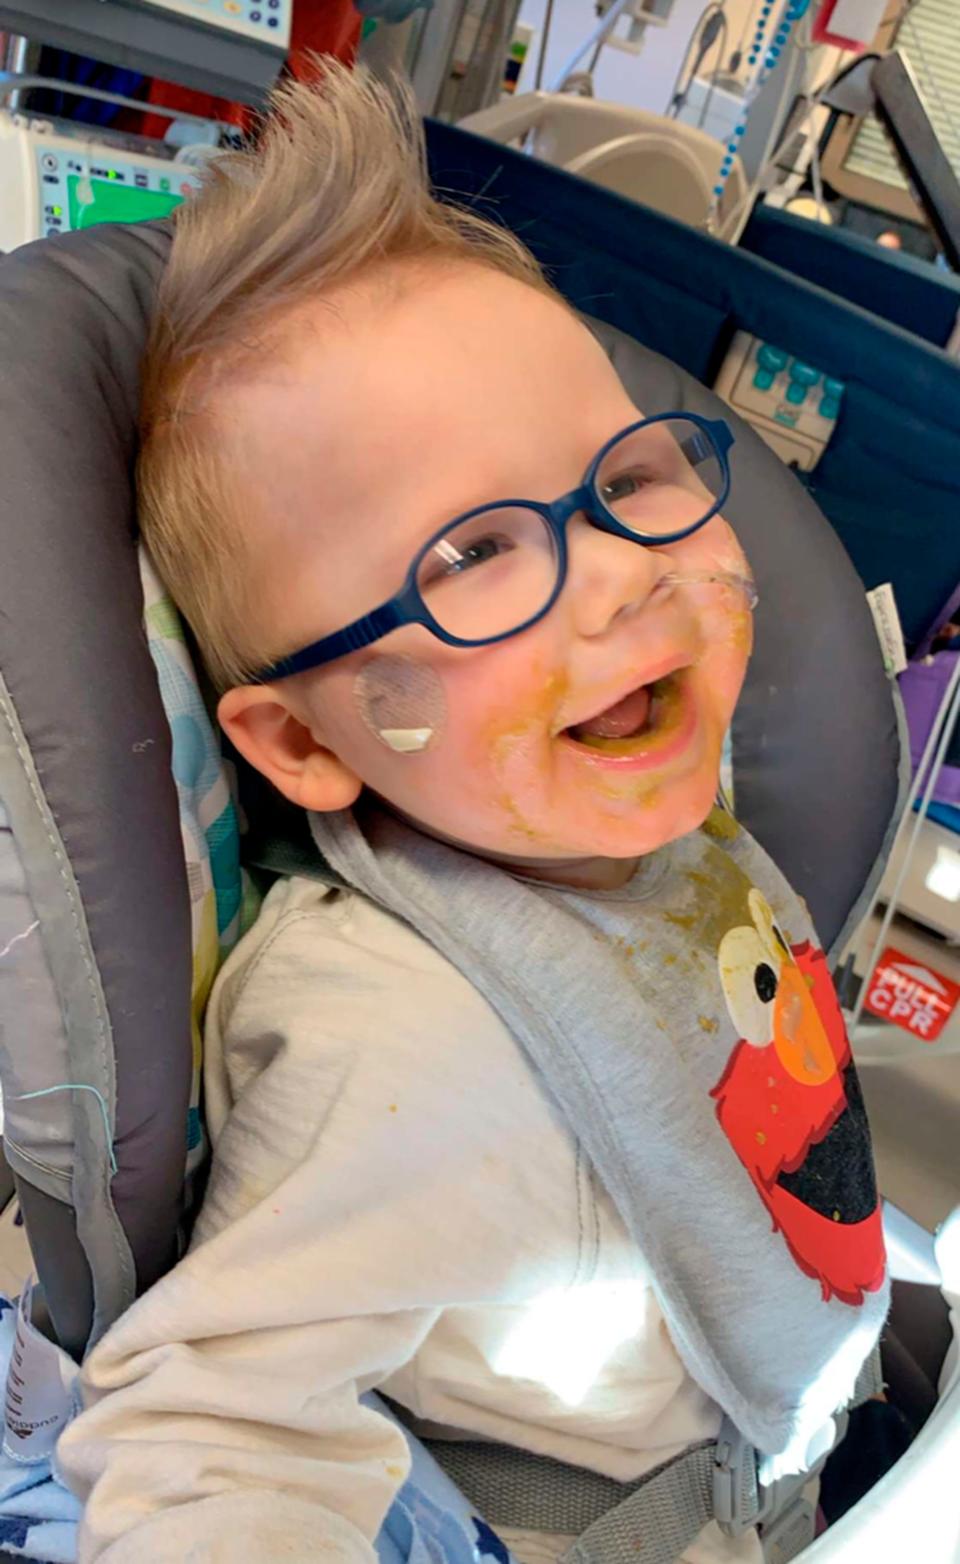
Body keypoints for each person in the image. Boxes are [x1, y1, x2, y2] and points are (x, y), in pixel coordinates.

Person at [56, 64, 889, 1564]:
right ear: (301, 744)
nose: (628, 565)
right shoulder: (409, 1042)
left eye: (632, 473)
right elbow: (211, 1431)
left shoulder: (631, 835)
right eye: (479, 553)